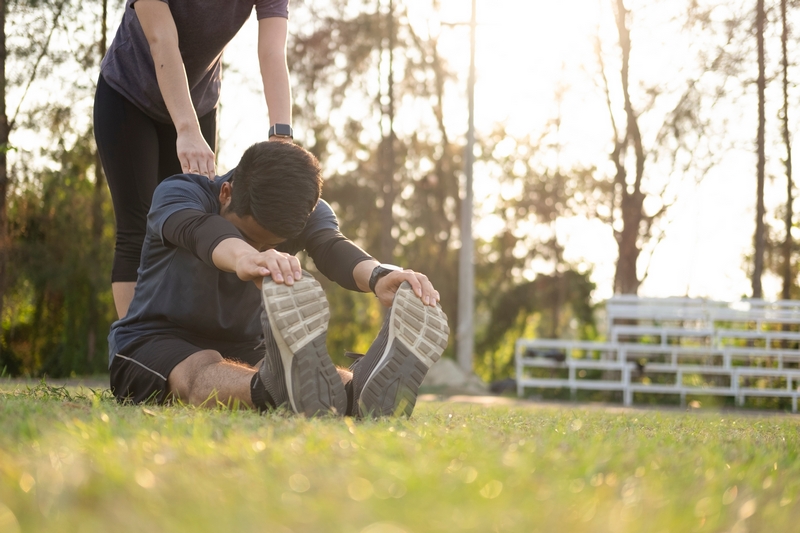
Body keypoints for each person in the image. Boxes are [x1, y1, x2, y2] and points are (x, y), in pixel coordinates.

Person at [108, 141, 450, 418]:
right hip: (153, 338)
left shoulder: (305, 210)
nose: (262, 249)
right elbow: (199, 230)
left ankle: (356, 391)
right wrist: (247, 257)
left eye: (270, 244)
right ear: (225, 193)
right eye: (249, 235)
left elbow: (331, 247)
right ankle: (271, 388)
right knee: (201, 368)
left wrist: (379, 276)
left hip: (245, 342)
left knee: (306, 376)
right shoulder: (180, 192)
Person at [94, 0, 294, 319]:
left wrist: (281, 138)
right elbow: (162, 38)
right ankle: (135, 348)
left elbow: (272, 51)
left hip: (199, 102)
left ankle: (179, 339)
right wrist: (185, 128)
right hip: (129, 95)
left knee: (193, 221)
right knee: (139, 228)